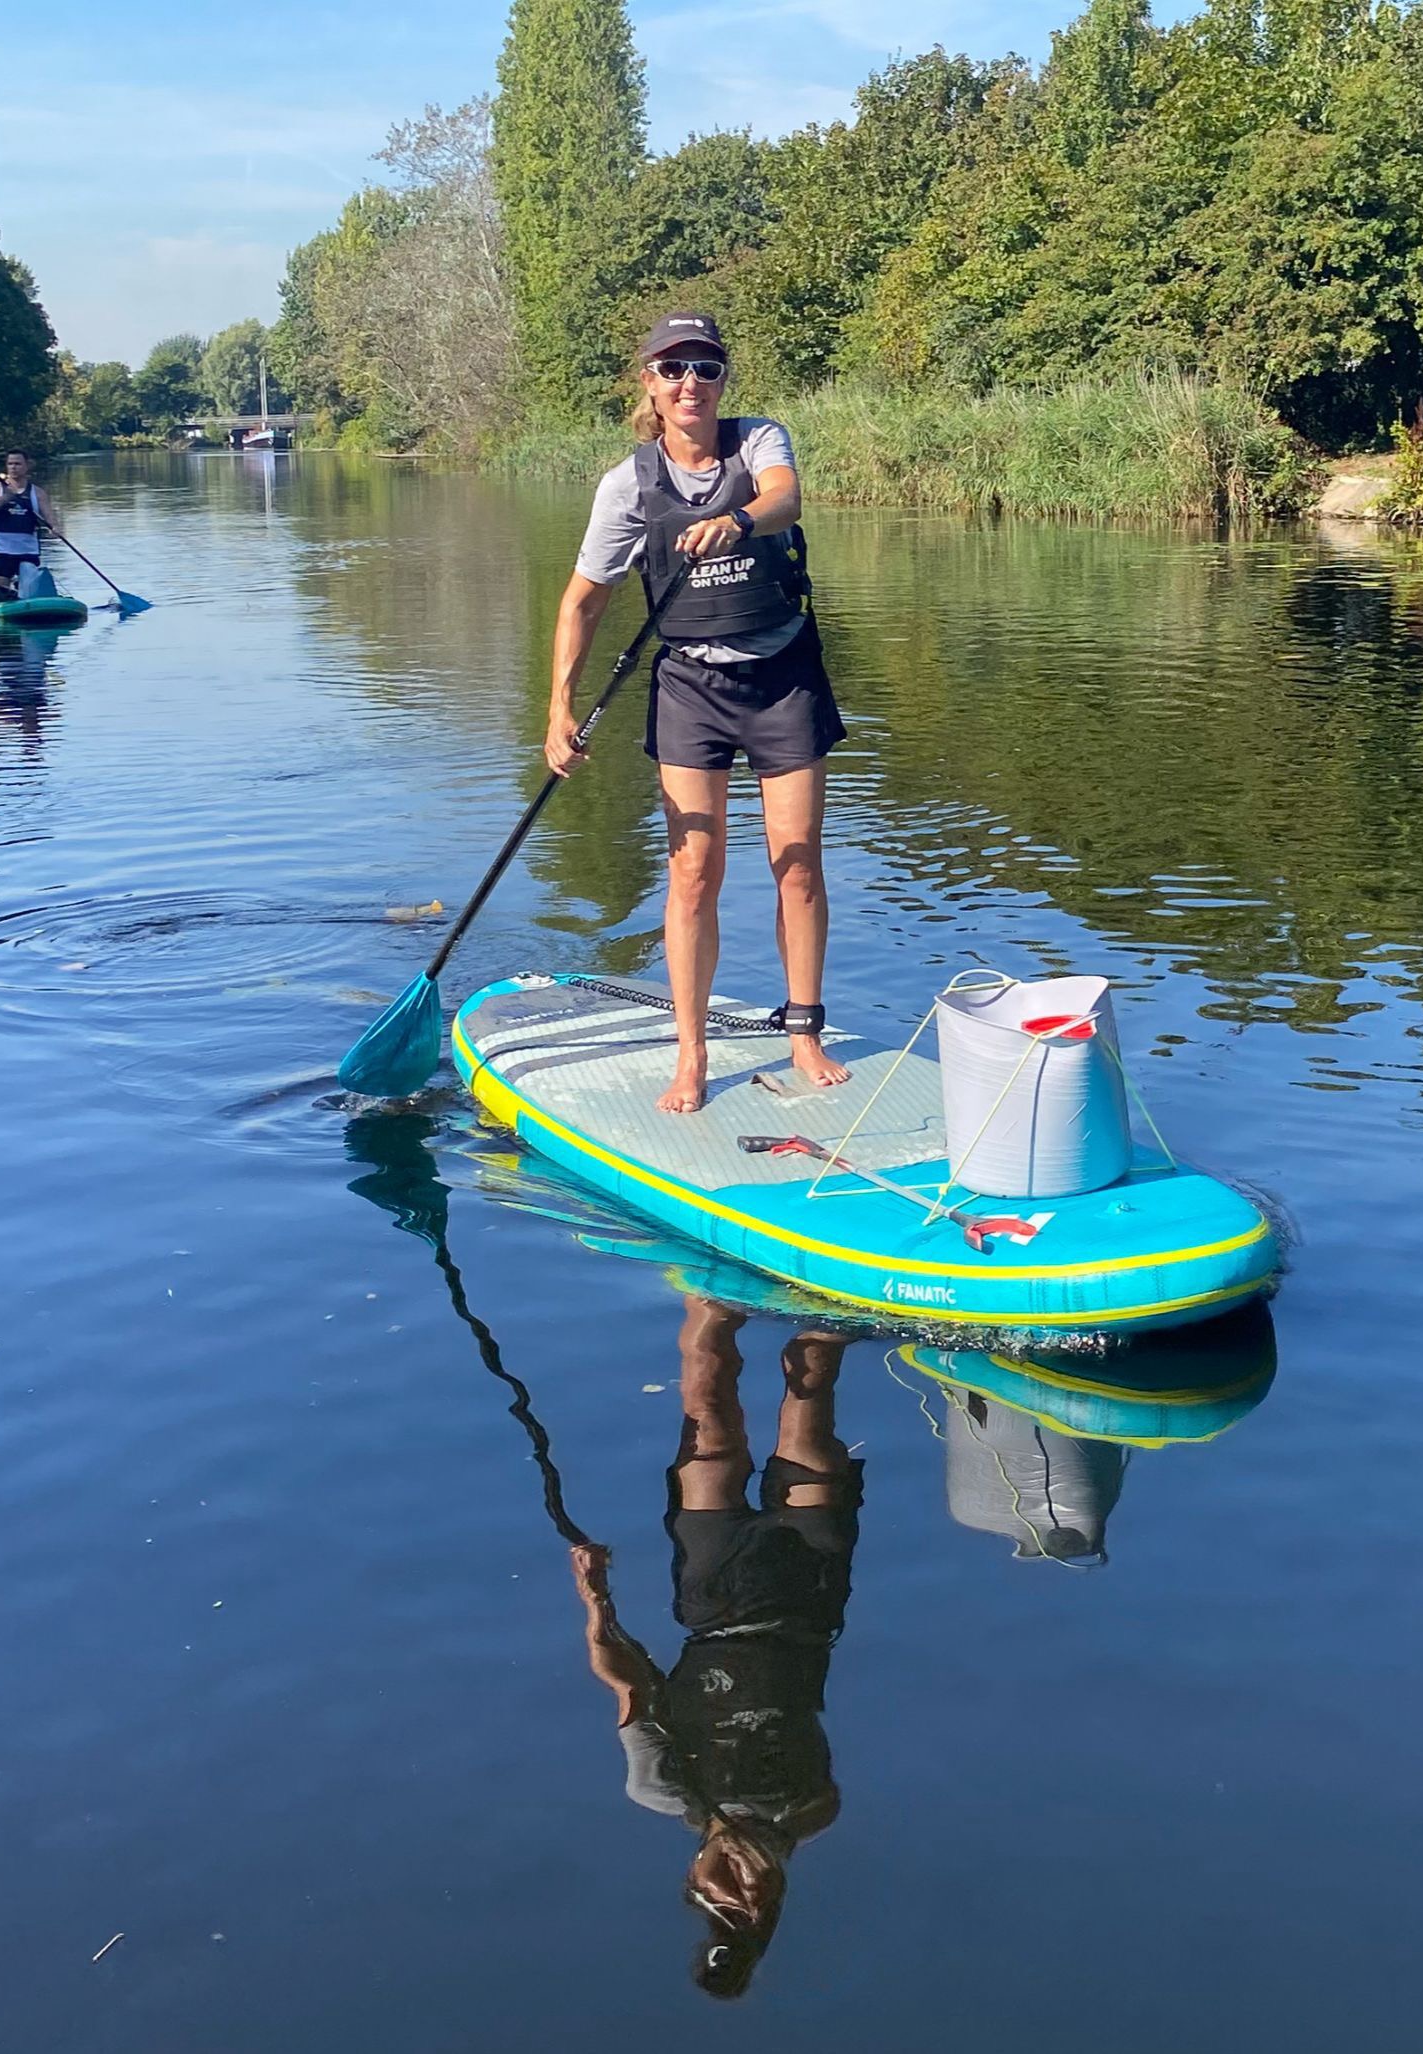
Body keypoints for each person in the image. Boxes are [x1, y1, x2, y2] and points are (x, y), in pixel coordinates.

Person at [544, 311, 849, 1113]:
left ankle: (804, 1032)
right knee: (692, 870)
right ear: (649, 382)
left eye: (705, 368)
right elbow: (582, 601)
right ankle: (690, 1052)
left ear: (722, 380)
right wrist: (559, 709)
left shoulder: (758, 442)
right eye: (673, 369)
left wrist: (736, 519)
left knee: (796, 862)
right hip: (689, 688)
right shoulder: (627, 486)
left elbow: (785, 498)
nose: (690, 383)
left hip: (783, 678)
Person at [569, 1298, 861, 2000]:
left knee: (708, 1414)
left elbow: (627, 1683)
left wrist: (595, 1597)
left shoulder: (663, 1788)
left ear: (693, 1876)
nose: (738, 1878)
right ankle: (826, 1302)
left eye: (716, 1887)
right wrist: (761, 1850)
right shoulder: (808, 1811)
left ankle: (710, 1296)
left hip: (713, 1600)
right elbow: (805, 1817)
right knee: (810, 1393)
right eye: (752, 1898)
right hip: (806, 1599)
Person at [0, 453, 48, 600]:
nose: (14, 467)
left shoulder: (38, 492)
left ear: (27, 466)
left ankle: (22, 593)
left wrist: (56, 528)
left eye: (18, 464)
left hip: (28, 548)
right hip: (2, 547)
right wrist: (6, 497)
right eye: (10, 464)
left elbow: (49, 516)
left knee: (30, 588)